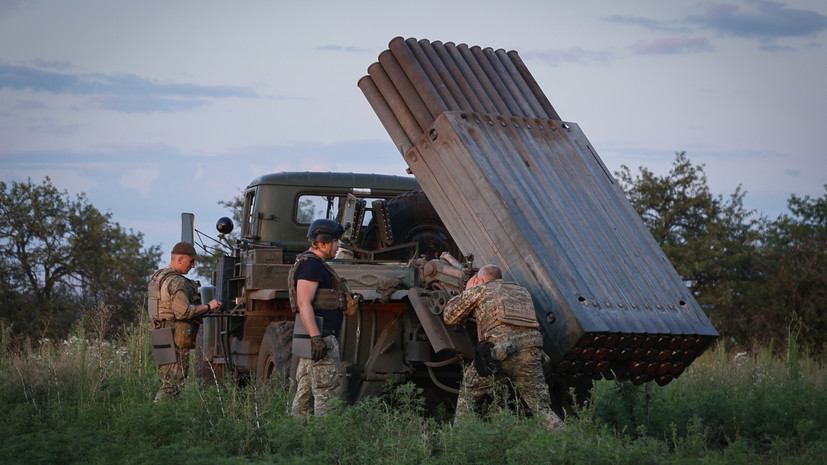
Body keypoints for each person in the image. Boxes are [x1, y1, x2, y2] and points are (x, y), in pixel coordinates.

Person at [443, 264, 564, 431]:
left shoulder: (481, 289)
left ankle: (460, 439)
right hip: (531, 355)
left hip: (500, 355)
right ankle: (568, 443)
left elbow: (450, 316)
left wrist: (468, 290)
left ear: (481, 279)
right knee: (541, 409)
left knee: (468, 391)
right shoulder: (522, 292)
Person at [149, 241, 222, 402]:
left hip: (160, 334)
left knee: (166, 381)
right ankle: (157, 417)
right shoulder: (177, 281)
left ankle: (162, 419)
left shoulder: (158, 277)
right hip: (174, 337)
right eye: (191, 261)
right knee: (173, 386)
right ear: (180, 259)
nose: (193, 266)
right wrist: (209, 306)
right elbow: (184, 312)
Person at [289, 219, 348, 417]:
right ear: (323, 243)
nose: (338, 245)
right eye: (335, 241)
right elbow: (304, 302)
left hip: (315, 339)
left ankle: (298, 440)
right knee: (327, 397)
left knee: (305, 395)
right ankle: (325, 443)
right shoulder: (311, 266)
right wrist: (316, 337)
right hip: (320, 339)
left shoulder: (312, 264)